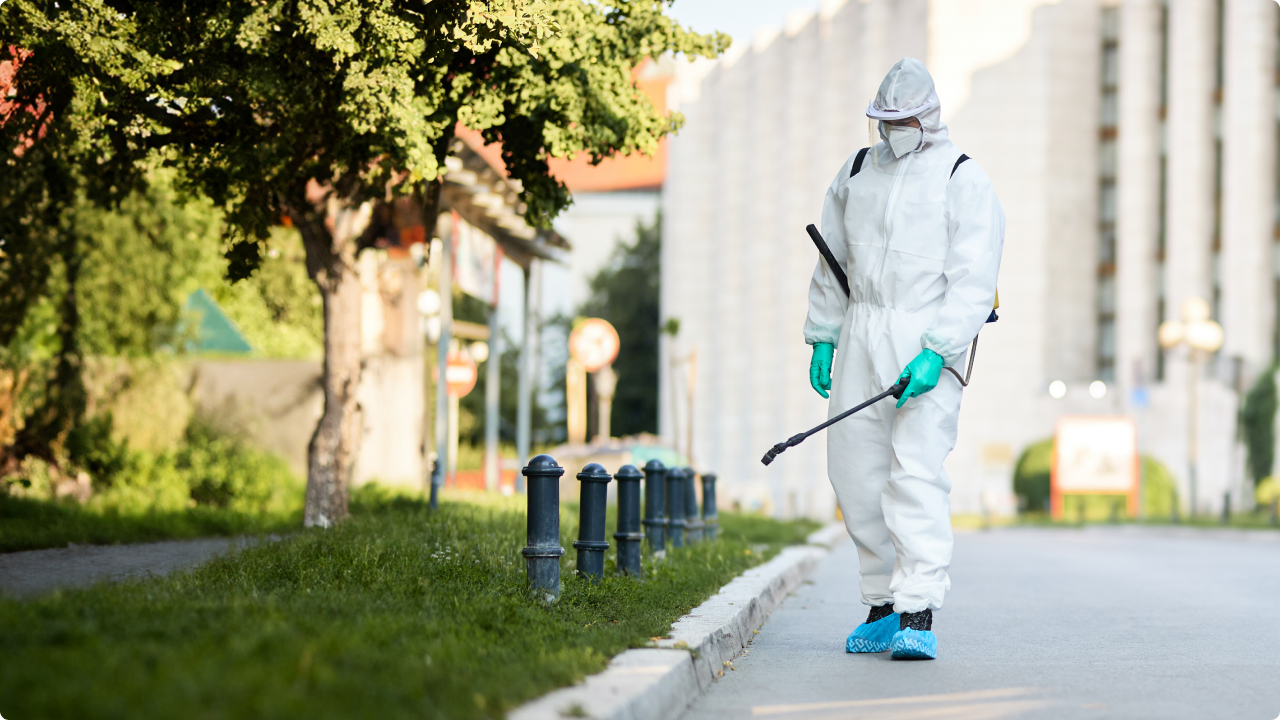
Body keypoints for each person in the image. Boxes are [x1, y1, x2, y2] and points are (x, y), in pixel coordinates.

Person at [803, 57, 1004, 660]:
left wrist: (938, 352)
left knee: (914, 471)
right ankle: (882, 605)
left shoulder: (962, 178)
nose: (893, 130)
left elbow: (974, 279)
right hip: (863, 328)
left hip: (927, 338)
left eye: (903, 119)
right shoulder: (858, 170)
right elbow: (833, 260)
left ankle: (918, 610)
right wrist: (823, 333)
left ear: (929, 117)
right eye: (885, 119)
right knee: (855, 471)